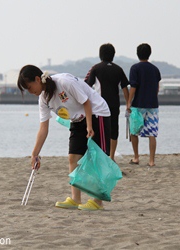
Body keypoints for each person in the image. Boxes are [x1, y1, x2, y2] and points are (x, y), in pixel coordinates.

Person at [17, 65, 111, 211]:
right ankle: (75, 199)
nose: (30, 92)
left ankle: (97, 202)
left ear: (37, 79)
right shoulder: (43, 99)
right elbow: (43, 128)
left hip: (97, 114)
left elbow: (86, 102)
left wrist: (89, 126)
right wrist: (35, 153)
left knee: (97, 158)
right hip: (76, 119)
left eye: (29, 87)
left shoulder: (64, 82)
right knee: (73, 157)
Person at [84, 43, 129, 161]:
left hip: (99, 106)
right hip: (114, 104)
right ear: (113, 55)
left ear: (100, 55)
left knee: (97, 129)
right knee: (114, 129)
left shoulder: (96, 68)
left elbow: (88, 86)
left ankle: (98, 154)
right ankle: (112, 156)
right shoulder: (118, 69)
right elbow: (125, 88)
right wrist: (128, 103)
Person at [127, 43, 161, 167]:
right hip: (153, 105)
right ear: (149, 53)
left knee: (134, 131)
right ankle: (151, 161)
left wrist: (129, 102)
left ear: (137, 54)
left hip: (138, 105)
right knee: (152, 133)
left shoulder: (134, 68)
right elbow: (157, 88)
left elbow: (133, 87)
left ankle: (136, 157)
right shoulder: (155, 69)